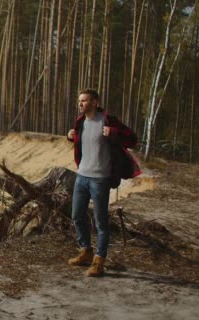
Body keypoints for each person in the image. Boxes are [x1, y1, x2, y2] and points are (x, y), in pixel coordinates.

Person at [66, 89, 140, 277]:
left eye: (84, 101)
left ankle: (99, 261)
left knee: (101, 222)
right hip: (82, 176)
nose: (80, 104)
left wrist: (114, 132)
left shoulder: (107, 120)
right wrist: (71, 136)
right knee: (76, 215)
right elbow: (84, 145)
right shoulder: (81, 122)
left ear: (95, 102)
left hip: (100, 179)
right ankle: (86, 251)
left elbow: (133, 139)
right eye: (79, 101)